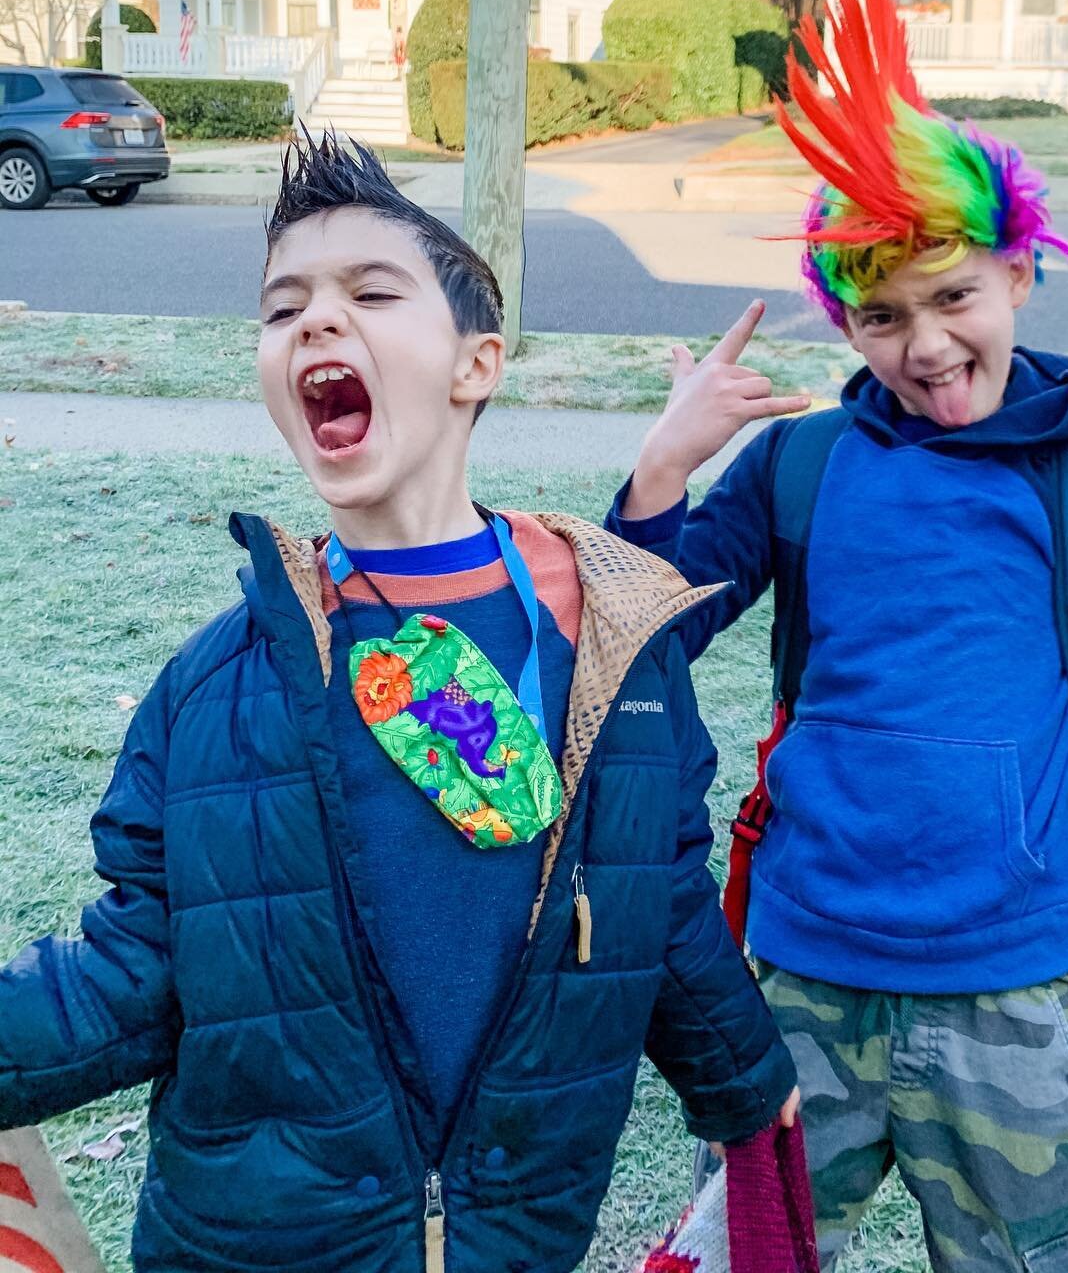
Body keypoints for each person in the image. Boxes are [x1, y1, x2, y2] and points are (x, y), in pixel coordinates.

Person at [605, 0, 1068, 1272]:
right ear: (847, 319)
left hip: (1016, 993)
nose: (927, 343)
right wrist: (662, 482)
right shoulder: (805, 465)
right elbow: (623, 660)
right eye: (883, 315)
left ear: (1017, 272)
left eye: (955, 296)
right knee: (748, 1256)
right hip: (803, 985)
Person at [0, 132, 797, 1273]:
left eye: (372, 291)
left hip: (515, 1237)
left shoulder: (618, 652)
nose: (317, 323)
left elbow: (657, 904)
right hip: (254, 1244)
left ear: (479, 362)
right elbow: (137, 968)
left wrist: (752, 1090)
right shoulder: (210, 691)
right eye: (284, 311)